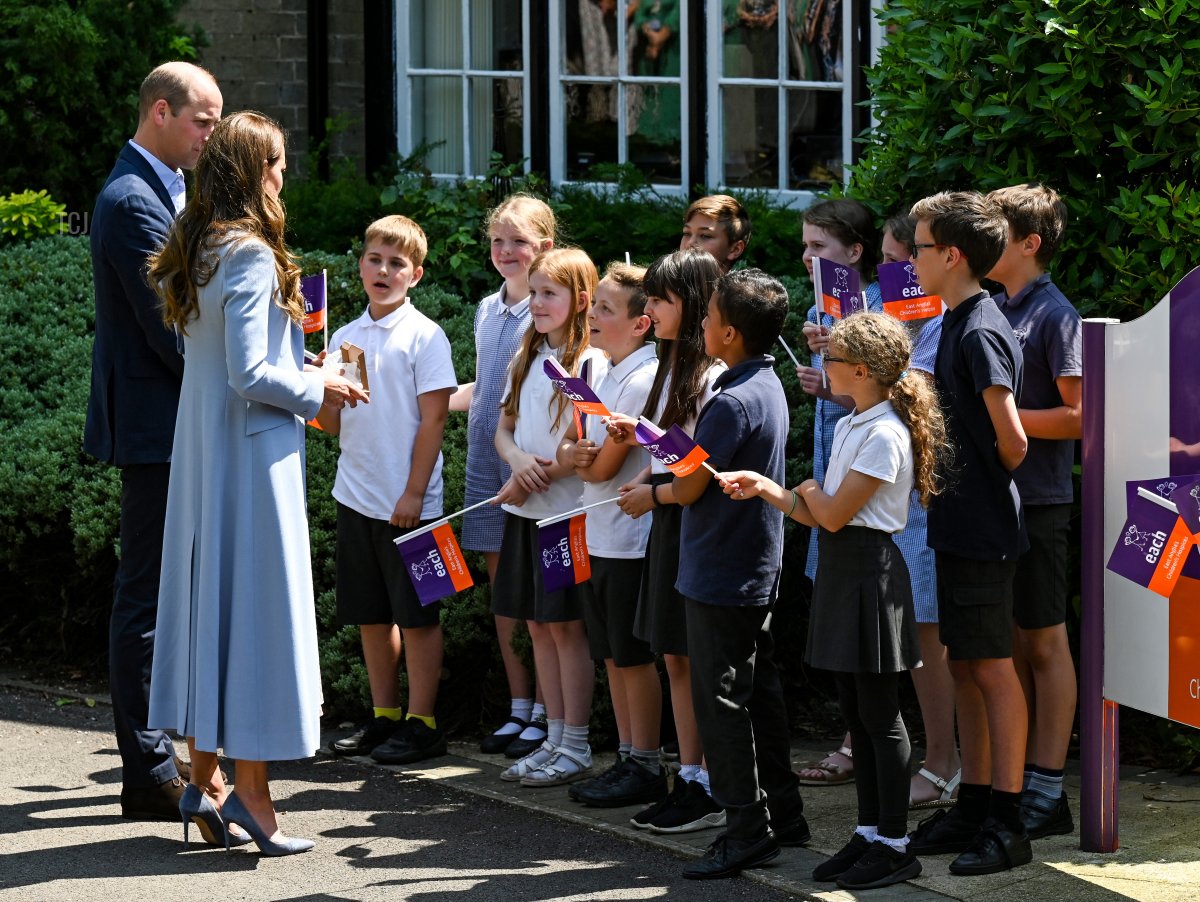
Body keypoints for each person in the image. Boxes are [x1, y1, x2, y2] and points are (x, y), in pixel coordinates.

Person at [146, 111, 368, 855]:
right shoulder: (245, 253)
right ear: (251, 172)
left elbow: (230, 360)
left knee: (219, 610)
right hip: (250, 458)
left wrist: (301, 371)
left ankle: (202, 785)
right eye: (275, 162)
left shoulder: (200, 246)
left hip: (211, 451)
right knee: (255, 620)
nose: (283, 175)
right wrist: (322, 384)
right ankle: (253, 802)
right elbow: (249, 372)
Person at [722, 311, 947, 889]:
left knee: (879, 715)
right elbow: (815, 513)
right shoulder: (854, 420)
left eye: (834, 361)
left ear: (863, 371)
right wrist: (772, 488)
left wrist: (809, 493)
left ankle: (894, 842)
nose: (824, 367)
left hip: (871, 573)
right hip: (847, 570)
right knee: (855, 711)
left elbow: (833, 512)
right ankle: (870, 832)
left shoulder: (884, 432)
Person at [84, 61, 223, 820]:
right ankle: (147, 771)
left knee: (167, 596)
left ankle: (161, 759)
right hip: (156, 429)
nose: (211, 134)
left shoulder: (161, 189)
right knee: (145, 599)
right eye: (203, 120)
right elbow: (173, 332)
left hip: (172, 425)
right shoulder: (132, 200)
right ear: (161, 111)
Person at [905, 191, 1032, 876]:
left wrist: (974, 478)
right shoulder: (955, 320)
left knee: (990, 668)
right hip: (956, 524)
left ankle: (1007, 822)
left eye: (920, 246)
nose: (912, 257)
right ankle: (976, 802)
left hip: (983, 528)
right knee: (963, 664)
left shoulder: (981, 329)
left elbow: (1012, 441)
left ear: (951, 255)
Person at [671, 268, 808, 880]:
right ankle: (784, 814)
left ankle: (746, 829)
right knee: (760, 693)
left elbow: (692, 482)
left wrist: (656, 483)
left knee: (720, 699)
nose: (700, 323)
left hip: (721, 567)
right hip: (754, 562)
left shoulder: (728, 401)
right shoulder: (765, 383)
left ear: (727, 332)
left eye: (707, 317)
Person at [320, 215, 457, 765]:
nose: (384, 270)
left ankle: (424, 723)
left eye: (397, 263)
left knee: (420, 617)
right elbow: (332, 425)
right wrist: (324, 396)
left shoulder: (425, 335)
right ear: (360, 265)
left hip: (415, 507)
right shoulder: (345, 338)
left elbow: (434, 422)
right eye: (375, 259)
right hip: (355, 495)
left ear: (416, 275)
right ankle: (385, 716)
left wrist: (414, 494)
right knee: (372, 615)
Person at [608, 249, 725, 835]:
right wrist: (645, 447)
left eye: (660, 300)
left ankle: (707, 782)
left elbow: (699, 467)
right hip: (670, 522)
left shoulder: (711, 375)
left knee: (693, 658)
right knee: (674, 655)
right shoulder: (669, 364)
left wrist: (653, 488)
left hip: (694, 526)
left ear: (695, 303)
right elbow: (674, 450)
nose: (649, 309)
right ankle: (691, 776)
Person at [986, 183, 1081, 840]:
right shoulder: (993, 305)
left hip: (1040, 502)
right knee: (1010, 643)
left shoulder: (1055, 315)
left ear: (1029, 243)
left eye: (996, 230)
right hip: (995, 502)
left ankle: (1047, 788)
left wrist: (1003, 421)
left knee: (1045, 643)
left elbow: (1080, 415)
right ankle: (1015, 779)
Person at [493, 247, 608, 786]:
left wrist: (542, 475)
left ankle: (576, 743)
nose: (536, 303)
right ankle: (553, 737)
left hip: (568, 517)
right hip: (528, 510)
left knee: (567, 628)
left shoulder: (590, 362)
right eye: (534, 292)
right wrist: (517, 464)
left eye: (549, 294)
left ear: (581, 300)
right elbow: (504, 429)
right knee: (539, 625)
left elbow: (580, 444)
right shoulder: (527, 352)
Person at [451, 194, 556, 759]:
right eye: (498, 240)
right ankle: (518, 708)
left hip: (534, 469)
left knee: (544, 598)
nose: (506, 251)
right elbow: (482, 388)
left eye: (519, 241)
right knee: (506, 596)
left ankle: (547, 710)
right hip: (486, 466)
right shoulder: (488, 310)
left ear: (545, 246)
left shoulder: (549, 311)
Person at [558, 263, 666, 808]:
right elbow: (578, 446)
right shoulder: (600, 365)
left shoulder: (645, 378)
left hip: (629, 536)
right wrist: (576, 457)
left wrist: (580, 461)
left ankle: (646, 762)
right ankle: (627, 755)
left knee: (631, 655)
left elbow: (602, 469)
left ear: (642, 323)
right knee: (611, 653)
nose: (591, 315)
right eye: (593, 303)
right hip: (595, 529)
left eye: (604, 308)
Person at [794, 198, 883, 786]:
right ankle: (857, 737)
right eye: (804, 246)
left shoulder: (883, 307)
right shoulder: (815, 308)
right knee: (835, 618)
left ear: (855, 252)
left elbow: (886, 398)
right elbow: (840, 397)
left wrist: (832, 375)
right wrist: (819, 385)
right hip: (830, 478)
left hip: (866, 490)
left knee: (869, 622)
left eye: (820, 247)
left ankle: (872, 744)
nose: (808, 257)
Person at [882, 213, 961, 810]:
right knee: (909, 629)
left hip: (926, 497)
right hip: (895, 495)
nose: (895, 273)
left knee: (928, 632)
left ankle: (943, 762)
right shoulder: (901, 313)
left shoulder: (941, 317)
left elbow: (920, 394)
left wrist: (864, 358)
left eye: (903, 259)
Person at [679, 194, 751, 273]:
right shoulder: (667, 283)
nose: (690, 242)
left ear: (735, 250)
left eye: (705, 236)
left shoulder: (748, 285)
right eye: (687, 233)